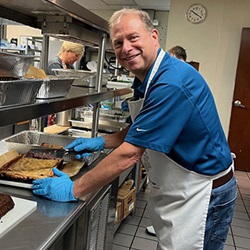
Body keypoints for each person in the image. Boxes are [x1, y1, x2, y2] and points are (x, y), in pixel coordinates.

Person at [33, 8, 237, 250]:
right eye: (118, 43)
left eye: (133, 38)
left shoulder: (171, 83)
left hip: (202, 193)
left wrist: (74, 189)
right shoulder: (146, 78)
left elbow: (130, 153)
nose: (126, 48)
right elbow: (138, 129)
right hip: (182, 189)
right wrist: (102, 142)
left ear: (153, 36)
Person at [145, 45, 187, 237]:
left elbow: (130, 153)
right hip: (172, 172)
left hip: (193, 180)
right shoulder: (158, 82)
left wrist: (76, 188)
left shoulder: (175, 84)